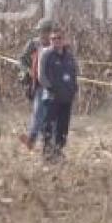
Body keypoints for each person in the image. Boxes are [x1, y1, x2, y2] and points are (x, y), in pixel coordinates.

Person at [39, 28, 79, 162]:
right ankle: (47, 151)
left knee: (63, 127)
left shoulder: (69, 56)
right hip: (51, 97)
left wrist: (74, 88)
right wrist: (50, 88)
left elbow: (74, 73)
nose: (56, 41)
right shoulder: (46, 54)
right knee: (48, 125)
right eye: (53, 39)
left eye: (59, 38)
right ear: (50, 41)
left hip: (66, 97)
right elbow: (41, 75)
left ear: (64, 40)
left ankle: (58, 150)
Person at [18, 18, 54, 150]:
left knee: (51, 117)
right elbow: (22, 60)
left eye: (45, 31)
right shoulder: (33, 44)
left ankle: (51, 145)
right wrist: (27, 71)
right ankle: (31, 139)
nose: (43, 34)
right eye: (41, 31)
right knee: (38, 112)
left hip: (54, 86)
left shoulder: (56, 44)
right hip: (39, 84)